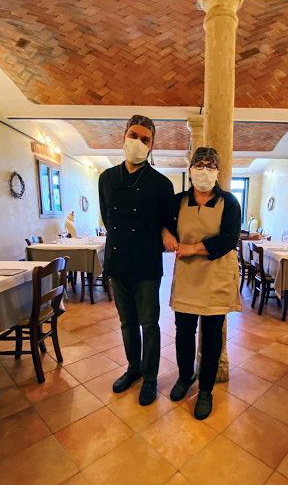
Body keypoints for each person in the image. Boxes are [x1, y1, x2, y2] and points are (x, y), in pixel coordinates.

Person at [98, 115, 177, 406]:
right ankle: (133, 368)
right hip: (117, 261)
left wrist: (164, 233)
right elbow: (107, 218)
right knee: (127, 322)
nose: (138, 142)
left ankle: (150, 377)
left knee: (149, 324)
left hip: (146, 265)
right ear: (124, 137)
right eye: (134, 135)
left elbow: (168, 224)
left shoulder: (161, 184)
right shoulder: (106, 178)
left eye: (146, 139)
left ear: (152, 145)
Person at [166, 147, 242, 419]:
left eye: (211, 165)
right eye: (199, 164)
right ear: (190, 170)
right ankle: (185, 376)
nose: (204, 170)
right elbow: (163, 223)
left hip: (216, 275)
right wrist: (166, 235)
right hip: (188, 276)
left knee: (211, 334)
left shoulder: (229, 202)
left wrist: (192, 248)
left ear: (218, 172)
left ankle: (206, 389)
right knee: (184, 331)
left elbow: (229, 239)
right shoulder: (178, 201)